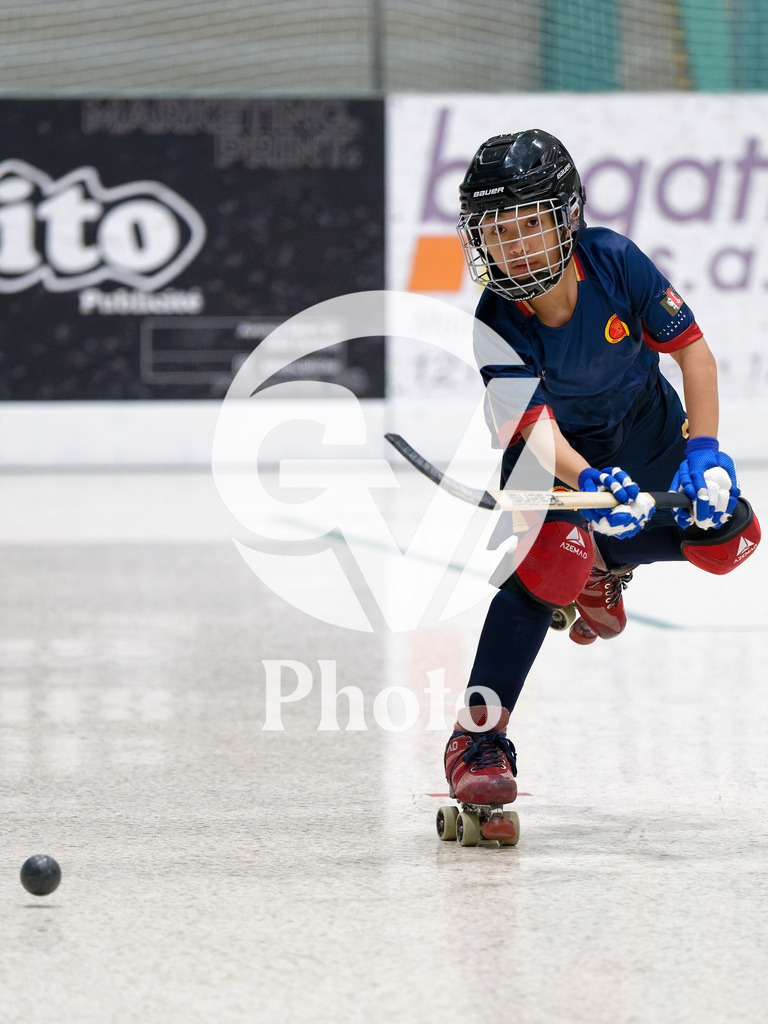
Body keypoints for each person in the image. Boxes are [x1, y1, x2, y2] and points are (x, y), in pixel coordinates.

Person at [443, 129, 761, 831]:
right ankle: (477, 741)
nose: (514, 246)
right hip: (551, 457)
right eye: (497, 229)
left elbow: (695, 356)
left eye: (530, 224)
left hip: (648, 435)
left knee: (734, 538)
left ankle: (606, 562)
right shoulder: (495, 319)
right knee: (552, 560)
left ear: (566, 218)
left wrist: (705, 451)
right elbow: (533, 430)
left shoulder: (615, 260)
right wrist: (591, 482)